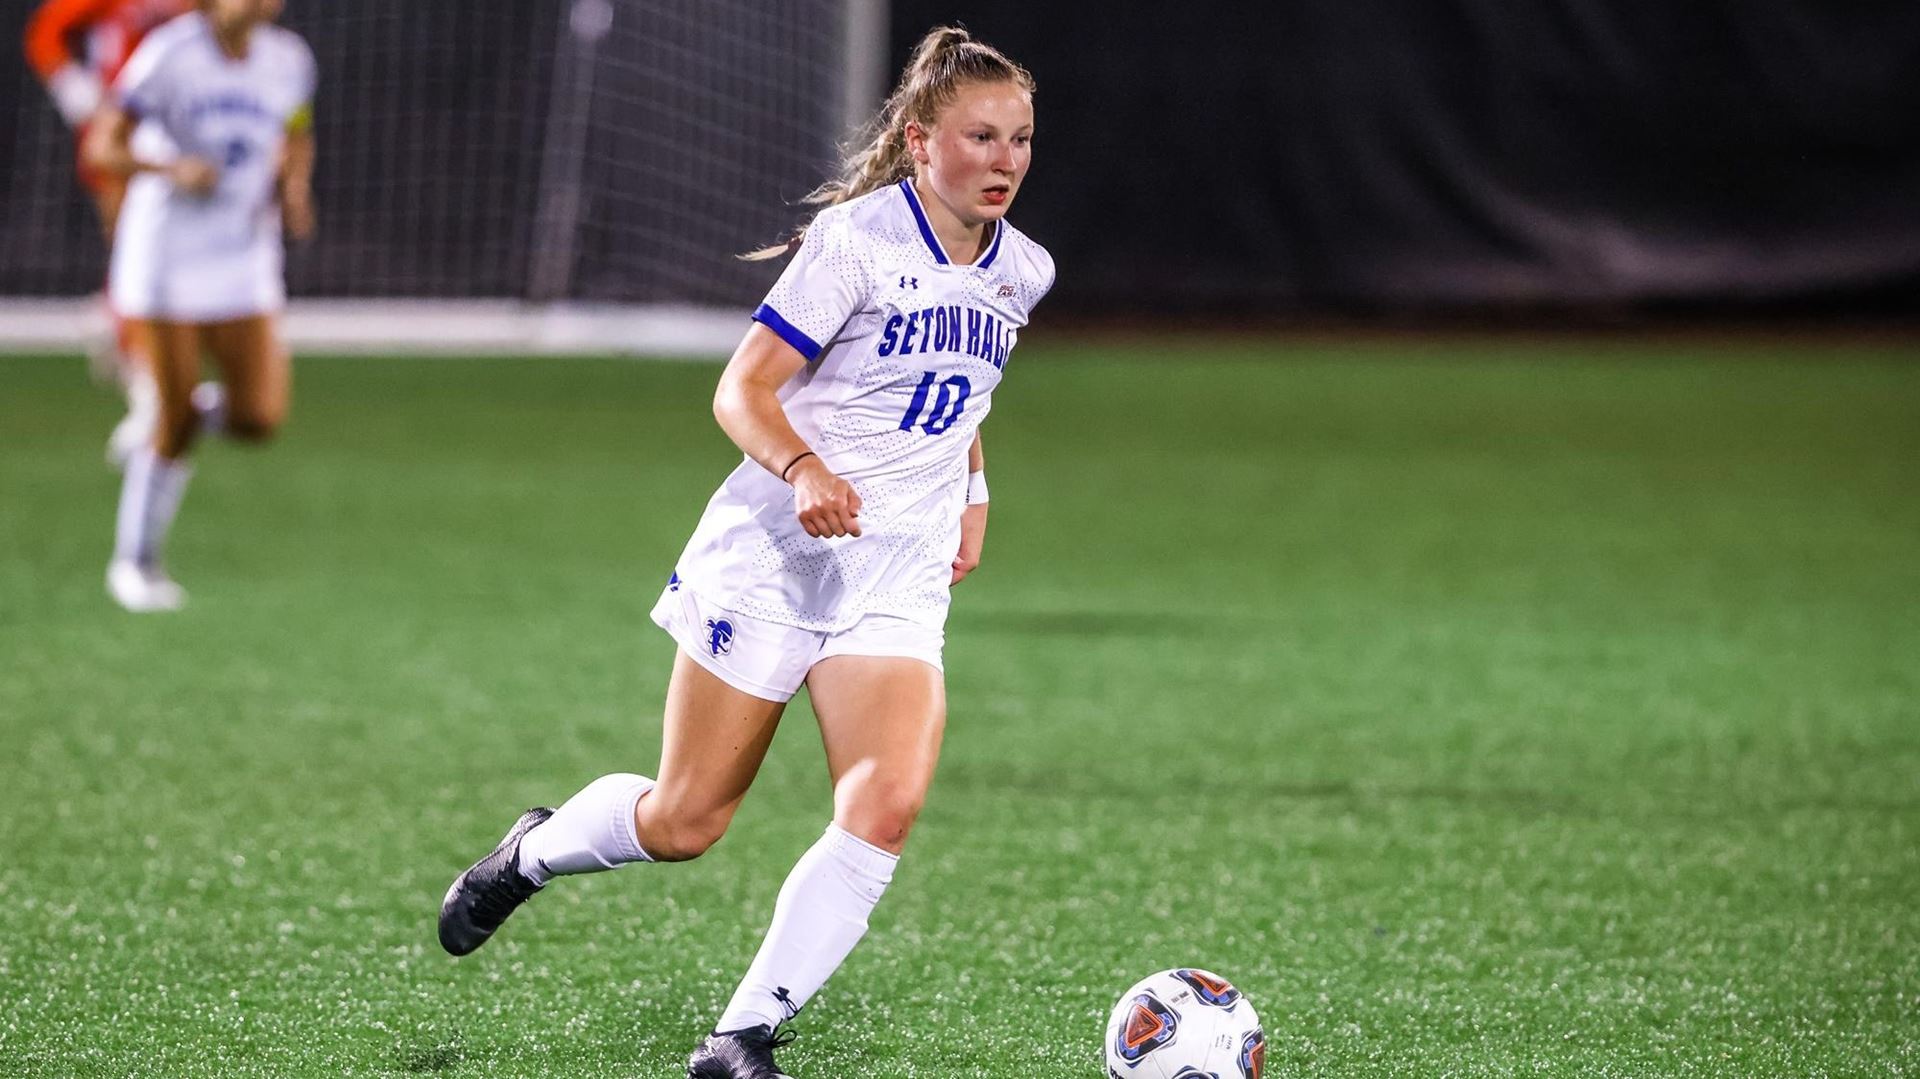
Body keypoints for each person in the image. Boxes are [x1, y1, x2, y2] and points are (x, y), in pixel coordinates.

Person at [438, 25, 1053, 1079]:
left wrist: (975, 489)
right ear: (920, 141)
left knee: (885, 800)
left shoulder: (1024, 270)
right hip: (774, 557)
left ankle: (740, 1035)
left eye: (1022, 139)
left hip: (895, 574)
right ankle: (533, 849)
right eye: (982, 136)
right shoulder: (857, 244)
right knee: (685, 820)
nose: (1005, 160)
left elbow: (959, 391)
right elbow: (742, 388)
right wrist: (806, 469)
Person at [85, 0, 316, 612]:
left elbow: (295, 131)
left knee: (259, 417)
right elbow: (103, 147)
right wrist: (167, 167)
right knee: (176, 423)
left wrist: (293, 188)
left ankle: (171, 412)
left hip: (243, 256)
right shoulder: (169, 56)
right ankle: (134, 564)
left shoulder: (289, 61)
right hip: (166, 256)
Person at [23, 0, 191, 391]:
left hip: (178, 123)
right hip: (119, 125)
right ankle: (132, 346)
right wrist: (72, 84)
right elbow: (46, 31)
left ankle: (117, 315)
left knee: (171, 238)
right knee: (128, 236)